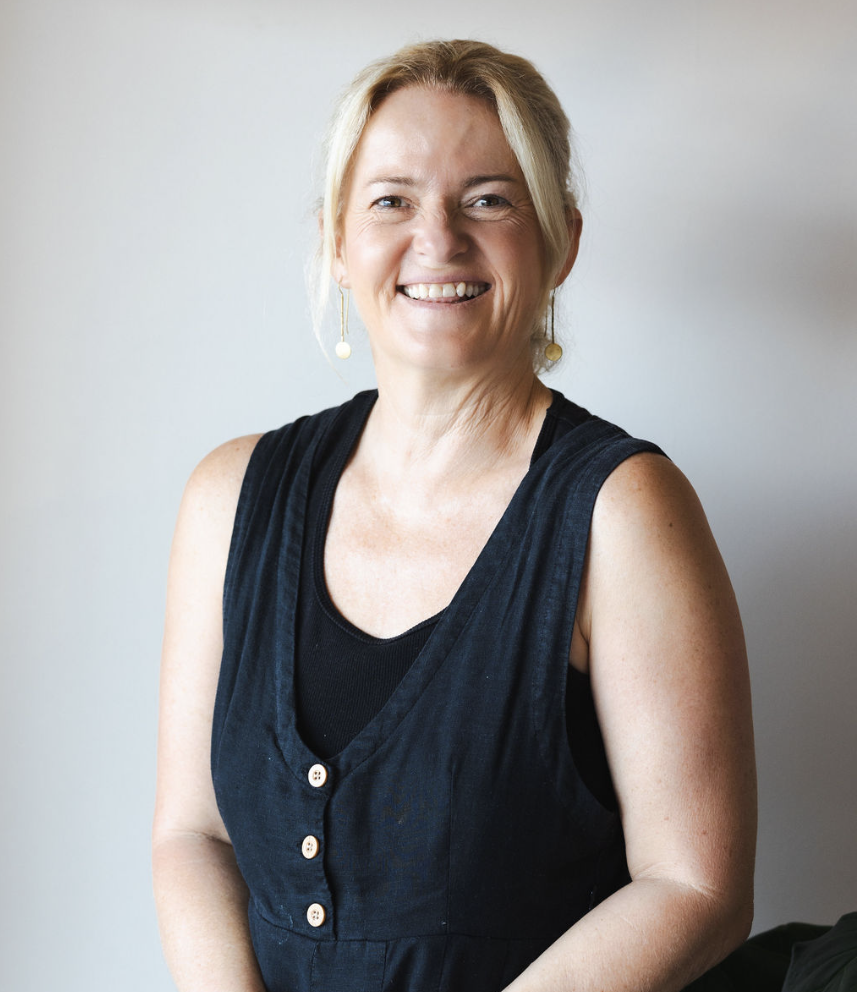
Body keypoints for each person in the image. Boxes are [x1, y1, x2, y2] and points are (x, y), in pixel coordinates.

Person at [152, 39, 757, 992]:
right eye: (391, 199)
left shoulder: (623, 512)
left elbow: (695, 885)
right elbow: (191, 833)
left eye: (488, 199)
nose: (438, 239)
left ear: (560, 239)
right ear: (336, 244)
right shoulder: (229, 498)